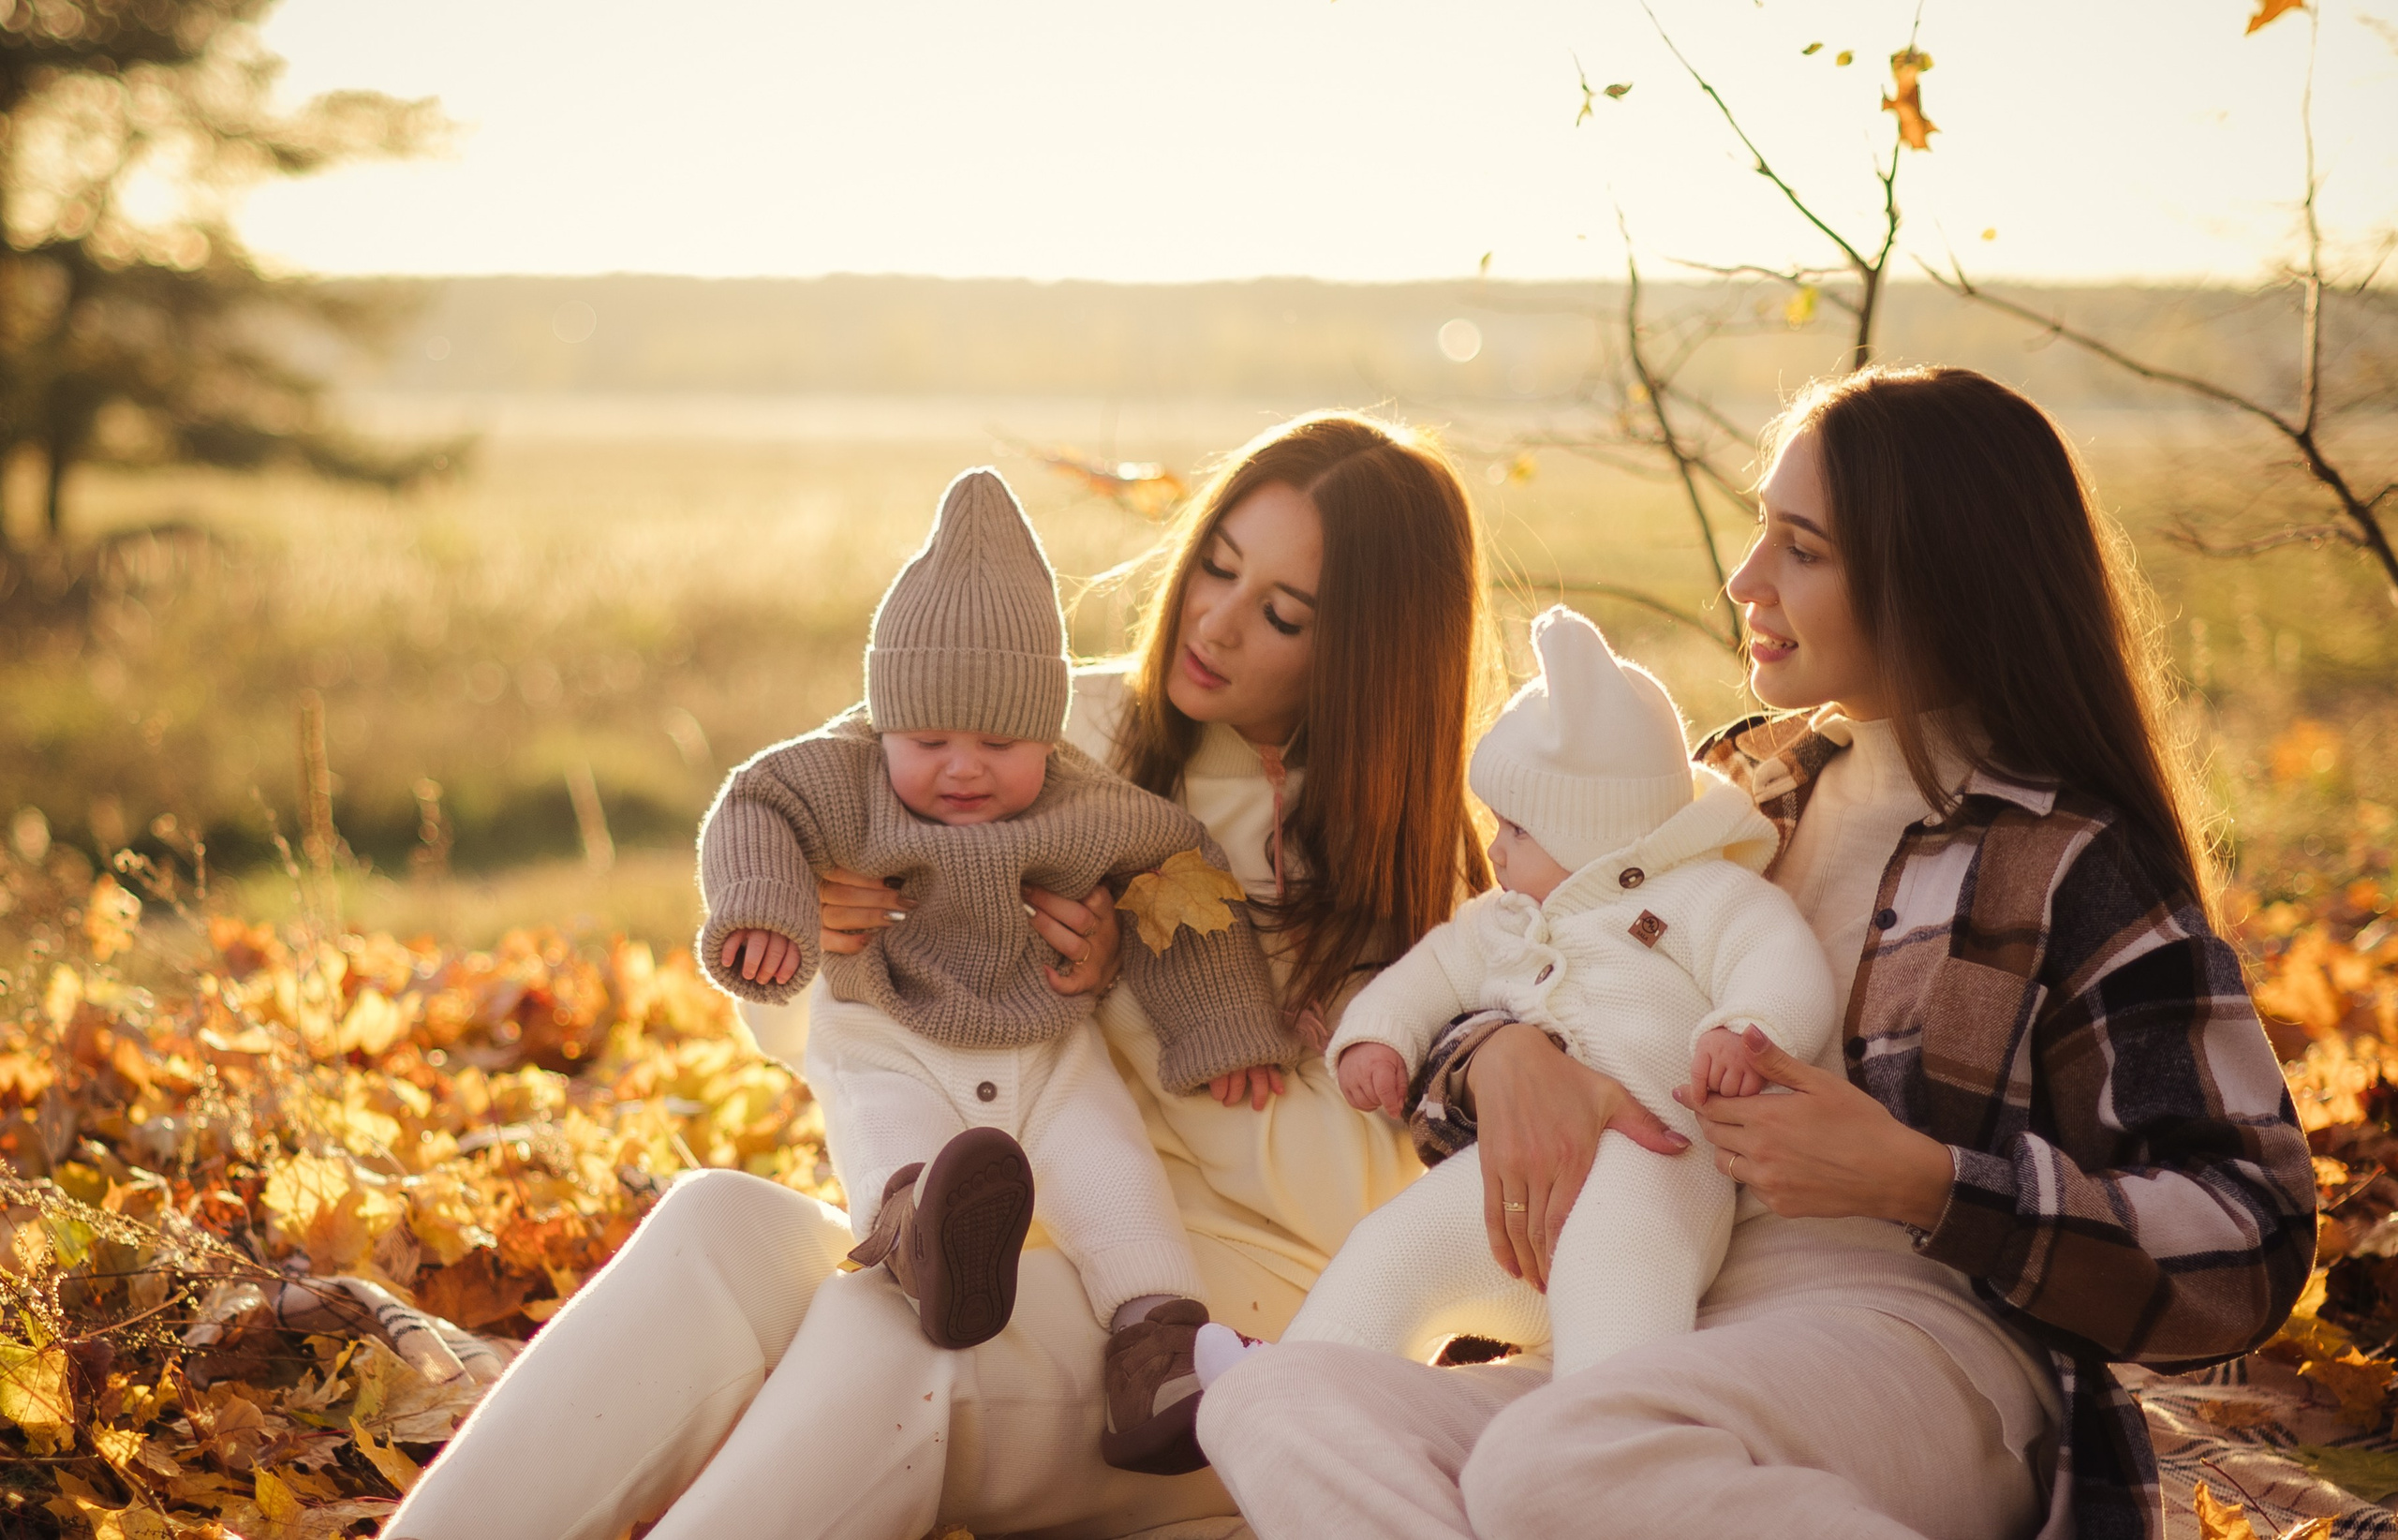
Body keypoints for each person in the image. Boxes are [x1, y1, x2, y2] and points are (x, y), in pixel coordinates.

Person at [385, 411, 1624, 1539]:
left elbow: (1377, 1218)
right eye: (1217, 565)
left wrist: (1143, 990)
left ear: (1369, 656)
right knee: (722, 1223)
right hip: (983, 1228)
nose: (1215, 622)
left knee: (896, 1341)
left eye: (1284, 614)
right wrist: (820, 936)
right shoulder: (1056, 730)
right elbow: (819, 1014)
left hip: (1231, 1319)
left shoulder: (1441, 899)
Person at [1197, 366, 2318, 1540]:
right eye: (1759, 532)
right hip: (1647, 1317)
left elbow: (2249, 1234)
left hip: (1917, 1347)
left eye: (1801, 548)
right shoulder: (1736, 794)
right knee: (1277, 1400)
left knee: (1558, 1461)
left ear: (1935, 578)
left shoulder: (2067, 861)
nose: (1746, 580)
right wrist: (1500, 1056)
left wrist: (1924, 1182)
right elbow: (1513, 952)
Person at [698, 467, 1299, 1471]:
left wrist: (1220, 1024)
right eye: (928, 739)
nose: (964, 766)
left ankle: (1157, 1353)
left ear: (1047, 731)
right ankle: (920, 1238)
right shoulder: (840, 775)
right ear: (881, 718)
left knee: (1113, 1178)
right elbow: (754, 805)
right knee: (893, 1131)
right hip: (891, 1034)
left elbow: (1175, 869)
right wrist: (770, 909)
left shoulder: (1085, 799)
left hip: (1046, 1051)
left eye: (1002, 741)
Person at [1196, 604, 1832, 1384]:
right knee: (1394, 1249)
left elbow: (1777, 959)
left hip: (1653, 1165)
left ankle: (1612, 1430)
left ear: (1601, 830)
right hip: (1513, 1194)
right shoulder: (1502, 920)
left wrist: (1749, 1030)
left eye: (1518, 831)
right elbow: (1427, 974)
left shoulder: (1701, 895)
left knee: (1619, 1275)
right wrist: (1379, 1036)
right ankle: (1293, 1383)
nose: (1495, 848)